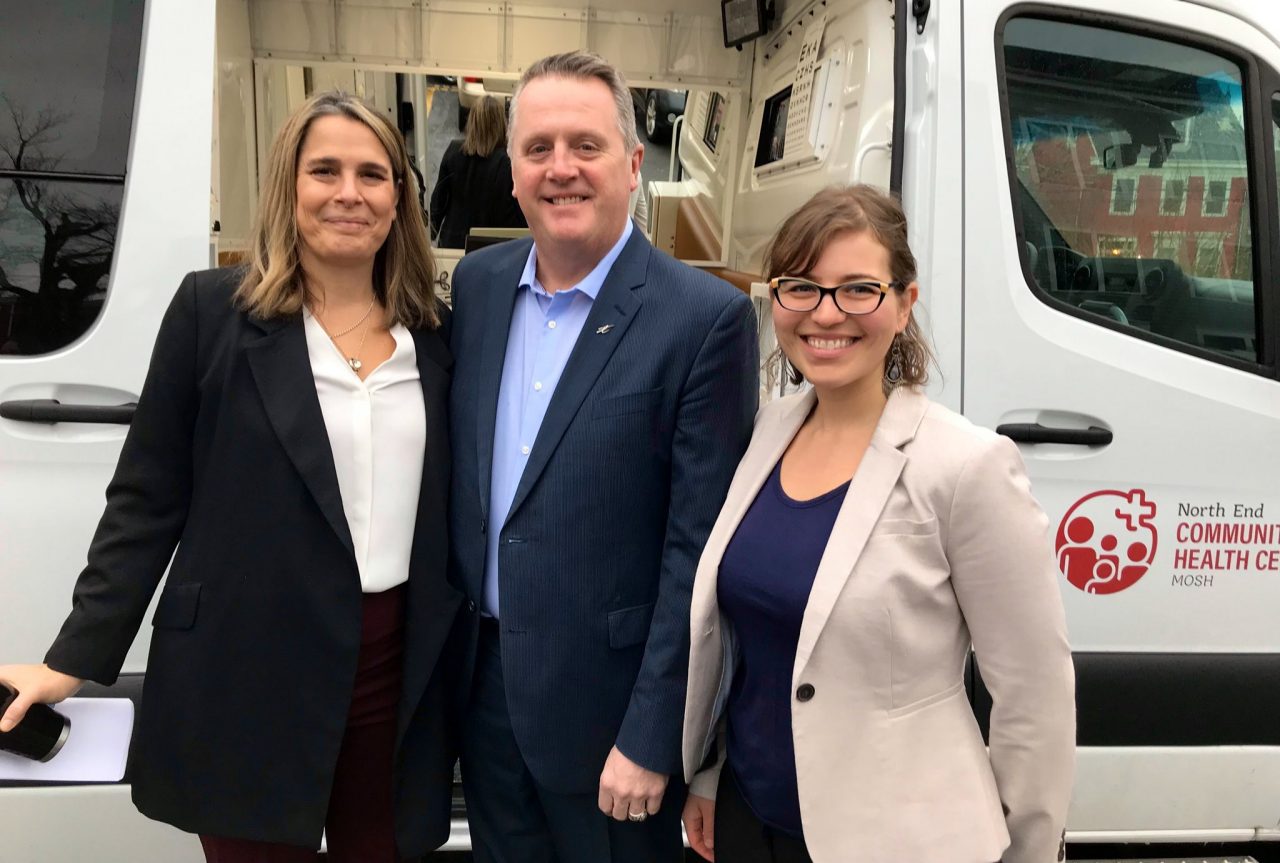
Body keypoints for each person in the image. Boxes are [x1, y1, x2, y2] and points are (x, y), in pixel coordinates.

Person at [0, 91, 461, 863]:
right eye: (325, 170)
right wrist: (72, 658)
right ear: (288, 187)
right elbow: (147, 498)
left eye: (373, 174)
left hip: (392, 667)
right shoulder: (213, 314)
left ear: (400, 198)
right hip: (248, 665)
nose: (349, 192)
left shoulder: (440, 335)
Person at [681, 185, 1075, 863]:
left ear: (903, 303)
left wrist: (1026, 853)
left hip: (894, 842)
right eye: (801, 286)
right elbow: (747, 651)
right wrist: (711, 775)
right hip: (749, 820)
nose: (826, 313)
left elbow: (1034, 697)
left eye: (858, 288)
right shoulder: (768, 431)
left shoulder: (966, 466)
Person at [447, 51, 758, 863]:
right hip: (484, 697)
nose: (561, 170)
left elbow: (698, 553)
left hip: (611, 722)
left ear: (631, 163)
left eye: (585, 146)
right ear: (511, 172)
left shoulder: (704, 321)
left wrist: (655, 735)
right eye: (538, 148)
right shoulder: (477, 288)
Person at [429, 95, 526, 248]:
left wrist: (431, 233)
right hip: (491, 246)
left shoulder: (454, 151)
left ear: (472, 121)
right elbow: (515, 215)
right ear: (501, 123)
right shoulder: (507, 163)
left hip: (453, 242)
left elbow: (438, 201)